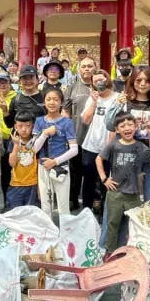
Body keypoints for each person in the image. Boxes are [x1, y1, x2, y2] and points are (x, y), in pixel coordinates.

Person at [98, 113, 150, 252]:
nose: (127, 128)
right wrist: (104, 178)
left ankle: (129, 252)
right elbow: (98, 159)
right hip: (115, 193)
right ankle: (110, 252)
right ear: (117, 130)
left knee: (133, 225)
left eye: (130, 124)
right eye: (122, 126)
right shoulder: (114, 145)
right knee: (112, 223)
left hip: (133, 194)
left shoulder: (140, 147)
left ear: (136, 127)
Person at [105, 65, 150, 201]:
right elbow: (109, 125)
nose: (143, 84)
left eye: (147, 80)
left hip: (148, 155)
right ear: (132, 81)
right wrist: (116, 105)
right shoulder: (124, 101)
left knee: (148, 196)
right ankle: (112, 223)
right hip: (124, 156)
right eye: (138, 80)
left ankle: (143, 222)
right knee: (118, 196)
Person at [33, 88, 78, 220]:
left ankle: (65, 236)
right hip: (43, 167)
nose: (52, 102)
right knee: (45, 205)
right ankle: (48, 235)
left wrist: (55, 161)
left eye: (55, 99)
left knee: (63, 206)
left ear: (61, 102)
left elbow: (74, 149)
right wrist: (45, 134)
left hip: (61, 167)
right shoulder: (39, 121)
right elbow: (35, 149)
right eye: (48, 99)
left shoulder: (67, 122)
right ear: (44, 102)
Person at [80, 69, 119, 213]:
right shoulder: (92, 98)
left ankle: (104, 211)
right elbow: (85, 120)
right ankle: (86, 210)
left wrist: (110, 146)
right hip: (91, 145)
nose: (98, 83)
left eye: (101, 80)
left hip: (110, 146)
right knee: (89, 180)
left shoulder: (117, 97)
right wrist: (94, 102)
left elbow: (119, 122)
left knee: (107, 180)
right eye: (95, 81)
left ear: (107, 79)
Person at [64, 56, 96, 210]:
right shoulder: (72, 87)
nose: (87, 69)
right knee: (75, 171)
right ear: (79, 69)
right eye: (83, 66)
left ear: (95, 68)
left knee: (93, 171)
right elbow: (66, 112)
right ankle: (73, 199)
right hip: (76, 136)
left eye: (90, 66)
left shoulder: (100, 86)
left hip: (96, 138)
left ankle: (94, 201)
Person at [6, 111, 39, 209]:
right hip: (16, 184)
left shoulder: (36, 142)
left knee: (30, 213)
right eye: (20, 126)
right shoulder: (13, 142)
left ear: (33, 126)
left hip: (32, 184)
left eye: (27, 126)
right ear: (16, 126)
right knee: (16, 213)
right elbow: (11, 163)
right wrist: (16, 145)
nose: (24, 129)